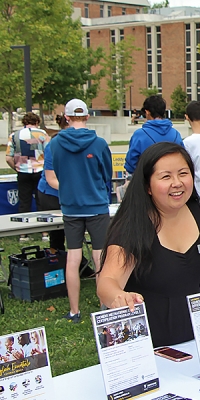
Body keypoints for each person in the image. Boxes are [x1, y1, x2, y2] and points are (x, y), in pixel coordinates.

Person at [96, 142, 200, 347]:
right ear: (147, 186)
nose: (177, 183)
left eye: (183, 173)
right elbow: (107, 281)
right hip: (148, 347)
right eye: (166, 176)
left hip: (197, 341)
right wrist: (119, 296)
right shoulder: (132, 226)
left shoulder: (199, 214)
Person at [51, 98, 113, 324]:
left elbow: (56, 171)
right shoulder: (99, 143)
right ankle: (104, 308)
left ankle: (74, 311)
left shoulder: (55, 143)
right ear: (87, 116)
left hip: (70, 206)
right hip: (96, 205)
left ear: (66, 117)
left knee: (73, 258)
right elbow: (106, 174)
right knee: (100, 258)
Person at [5, 112, 49, 242]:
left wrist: (17, 168)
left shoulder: (14, 135)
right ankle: (44, 233)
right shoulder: (42, 134)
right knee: (41, 201)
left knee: (24, 201)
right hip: (40, 171)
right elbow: (49, 153)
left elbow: (8, 158)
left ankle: (23, 234)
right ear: (37, 122)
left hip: (23, 171)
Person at [124, 95, 184, 174]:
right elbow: (182, 159)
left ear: (147, 112)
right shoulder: (176, 134)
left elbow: (131, 163)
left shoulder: (140, 134)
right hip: (170, 180)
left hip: (146, 181)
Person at [37, 114, 69, 251]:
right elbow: (51, 179)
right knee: (57, 234)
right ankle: (58, 263)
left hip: (69, 191)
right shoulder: (53, 146)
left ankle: (78, 264)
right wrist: (73, 189)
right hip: (51, 194)